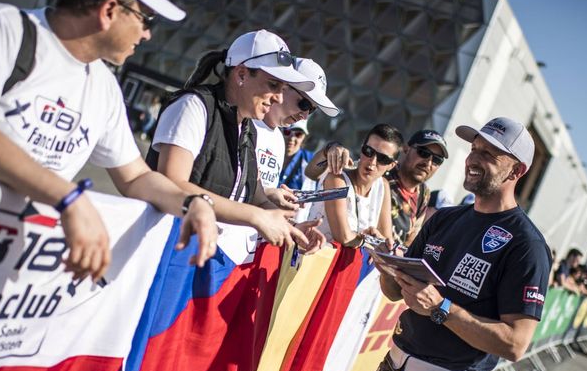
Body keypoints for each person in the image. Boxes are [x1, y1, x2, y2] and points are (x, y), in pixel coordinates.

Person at [0, 0, 219, 281]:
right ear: (110, 10)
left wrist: (193, 202)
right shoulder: (0, 27)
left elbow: (136, 177)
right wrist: (69, 199)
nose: (147, 35)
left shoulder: (104, 86)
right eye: (146, 20)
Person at [351, 117, 552, 371]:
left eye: (489, 154)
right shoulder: (444, 219)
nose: (473, 159)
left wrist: (441, 308)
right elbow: (393, 293)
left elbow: (516, 344)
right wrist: (388, 264)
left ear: (517, 171)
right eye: (474, 149)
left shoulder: (526, 244)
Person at [146, 29, 324, 252]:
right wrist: (255, 217)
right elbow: (171, 183)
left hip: (197, 249)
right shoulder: (193, 106)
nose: (279, 97)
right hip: (164, 244)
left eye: (283, 88)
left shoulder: (246, 128)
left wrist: (293, 229)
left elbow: (257, 197)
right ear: (241, 74)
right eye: (273, 85)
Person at [254, 57, 340, 211]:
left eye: (312, 109)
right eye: (304, 104)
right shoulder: (245, 125)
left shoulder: (278, 141)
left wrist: (294, 227)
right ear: (283, 85)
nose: (305, 116)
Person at [308, 123, 402, 247]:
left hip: (350, 264)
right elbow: (343, 237)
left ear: (391, 165)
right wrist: (371, 242)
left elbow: (386, 240)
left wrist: (378, 239)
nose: (372, 162)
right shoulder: (338, 179)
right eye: (368, 151)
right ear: (362, 148)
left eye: (382, 159)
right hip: (315, 258)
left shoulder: (383, 186)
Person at [387, 130, 448, 246]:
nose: (428, 163)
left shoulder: (423, 193)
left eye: (437, 160)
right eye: (423, 152)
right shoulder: (383, 171)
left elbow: (410, 239)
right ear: (406, 149)